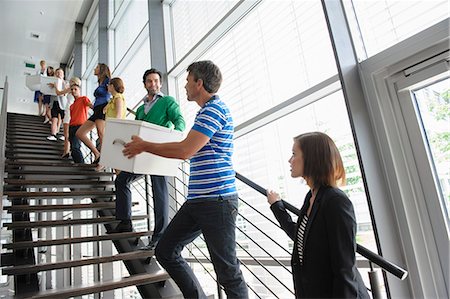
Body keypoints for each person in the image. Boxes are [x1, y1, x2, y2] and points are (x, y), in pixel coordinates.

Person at [122, 61, 248, 299]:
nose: (185, 85)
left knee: (228, 272)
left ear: (199, 83)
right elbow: (185, 148)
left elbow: (185, 150)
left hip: (217, 201)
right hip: (198, 201)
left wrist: (145, 146)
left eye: (188, 80)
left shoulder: (214, 110)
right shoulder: (205, 111)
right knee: (166, 250)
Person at [266, 132, 370, 299]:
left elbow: (344, 267)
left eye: (294, 154)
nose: (289, 160)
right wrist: (277, 207)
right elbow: (301, 238)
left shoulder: (336, 201)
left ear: (312, 158)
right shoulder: (312, 197)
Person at [108, 68, 185, 255]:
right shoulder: (142, 108)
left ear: (160, 83)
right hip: (143, 154)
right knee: (122, 180)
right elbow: (136, 131)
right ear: (145, 84)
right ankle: (125, 221)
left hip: (159, 155)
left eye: (156, 81)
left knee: (159, 195)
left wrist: (172, 142)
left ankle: (158, 238)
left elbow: (180, 122)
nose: (154, 84)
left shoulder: (167, 101)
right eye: (149, 81)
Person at [76, 63, 111, 164]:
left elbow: (113, 94)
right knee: (80, 133)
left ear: (102, 70)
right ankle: (97, 153)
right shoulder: (100, 82)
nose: (94, 69)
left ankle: (105, 159)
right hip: (96, 110)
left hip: (102, 109)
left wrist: (107, 106)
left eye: (96, 68)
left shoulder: (107, 81)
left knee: (100, 133)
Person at [96, 77, 127, 171]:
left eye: (108, 85)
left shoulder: (118, 97)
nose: (107, 87)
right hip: (112, 127)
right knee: (111, 150)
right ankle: (105, 164)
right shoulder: (113, 99)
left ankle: (103, 163)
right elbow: (105, 110)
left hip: (116, 128)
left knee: (111, 149)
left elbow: (119, 114)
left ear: (112, 86)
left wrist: (114, 128)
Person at [68, 77, 91, 164]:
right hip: (72, 127)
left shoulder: (83, 99)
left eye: (75, 89)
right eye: (72, 89)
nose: (73, 91)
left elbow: (91, 106)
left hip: (80, 126)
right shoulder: (72, 105)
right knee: (73, 149)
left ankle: (81, 165)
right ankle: (78, 164)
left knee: (75, 147)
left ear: (79, 90)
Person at [46, 68, 70, 141]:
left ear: (63, 75)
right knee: (54, 119)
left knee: (64, 120)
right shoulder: (52, 82)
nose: (58, 74)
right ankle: (53, 134)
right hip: (54, 102)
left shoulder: (66, 83)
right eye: (57, 73)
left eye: (60, 73)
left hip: (63, 103)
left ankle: (65, 135)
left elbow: (65, 93)